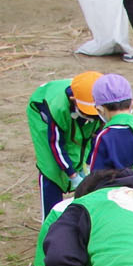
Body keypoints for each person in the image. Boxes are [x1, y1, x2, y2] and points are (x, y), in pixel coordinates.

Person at [27, 71, 102, 219]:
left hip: (77, 111)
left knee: (80, 154)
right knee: (51, 170)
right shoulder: (57, 108)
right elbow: (55, 144)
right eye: (89, 114)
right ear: (73, 100)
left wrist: (86, 165)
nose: (93, 118)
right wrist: (72, 174)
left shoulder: (102, 104)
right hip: (44, 115)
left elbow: (95, 138)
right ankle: (50, 224)